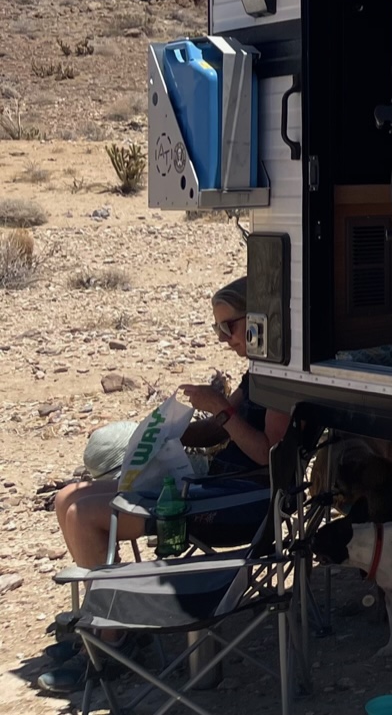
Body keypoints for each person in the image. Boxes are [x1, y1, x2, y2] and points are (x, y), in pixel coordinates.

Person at [40, 278, 289, 693]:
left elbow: (269, 455)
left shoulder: (284, 382)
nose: (224, 339)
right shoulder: (261, 370)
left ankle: (110, 641)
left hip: (241, 502)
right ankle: (104, 624)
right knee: (68, 497)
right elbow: (219, 429)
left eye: (229, 327)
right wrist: (169, 432)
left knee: (86, 513)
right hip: (216, 485)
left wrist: (223, 411)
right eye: (218, 330)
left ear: (258, 320)